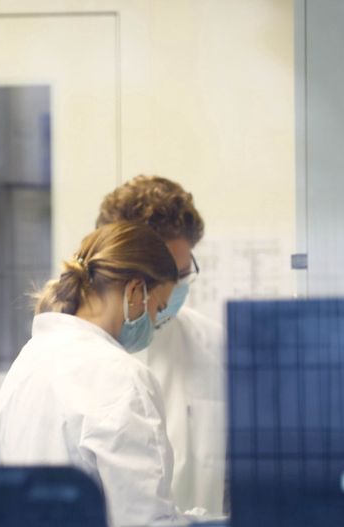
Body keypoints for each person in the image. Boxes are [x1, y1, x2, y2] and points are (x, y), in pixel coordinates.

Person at [0, 222, 204, 526]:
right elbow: (144, 520)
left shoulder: (26, 363)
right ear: (135, 291)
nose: (155, 324)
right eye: (158, 309)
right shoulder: (121, 376)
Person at [96, 176, 227, 515]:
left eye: (182, 275)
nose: (171, 293)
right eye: (163, 278)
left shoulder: (214, 345)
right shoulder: (83, 360)